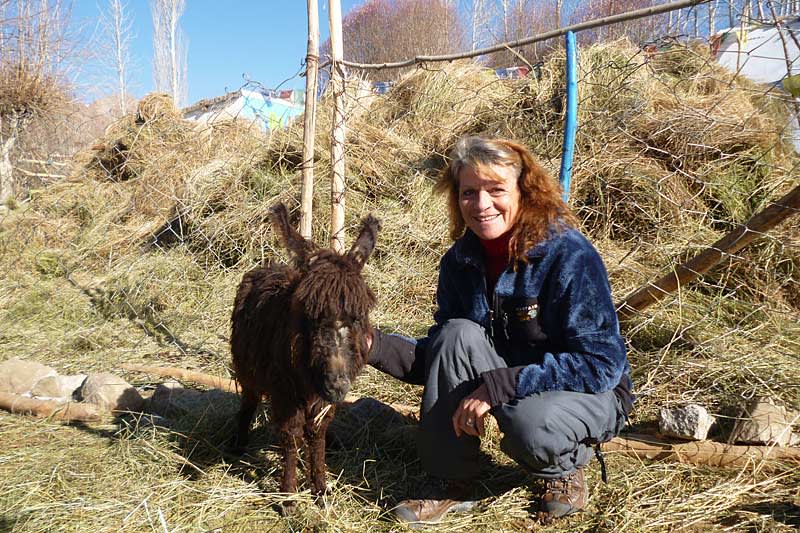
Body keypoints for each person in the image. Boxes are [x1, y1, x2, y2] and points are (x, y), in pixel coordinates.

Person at [366, 136, 633, 526]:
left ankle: (563, 468)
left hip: (588, 393)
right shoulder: (460, 261)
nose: (481, 204)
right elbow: (444, 359)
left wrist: (501, 385)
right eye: (468, 192)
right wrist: (373, 345)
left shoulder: (567, 255)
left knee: (532, 422)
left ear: (524, 191)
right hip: (508, 381)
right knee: (456, 333)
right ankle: (450, 480)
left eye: (495, 190)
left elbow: (601, 365)